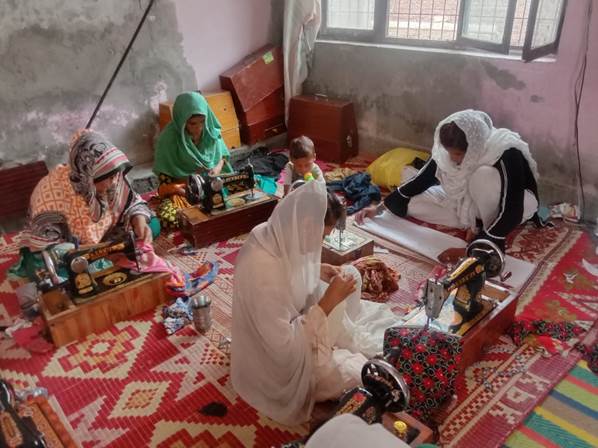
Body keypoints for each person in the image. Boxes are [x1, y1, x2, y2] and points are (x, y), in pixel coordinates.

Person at [231, 181, 398, 425]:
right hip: (278, 360)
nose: (319, 245)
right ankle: (338, 349)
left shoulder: (273, 231)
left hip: (299, 319)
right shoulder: (262, 270)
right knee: (357, 373)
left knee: (351, 275)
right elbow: (283, 347)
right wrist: (327, 304)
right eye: (320, 237)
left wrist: (317, 269)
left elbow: (287, 267)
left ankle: (339, 342)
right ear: (306, 227)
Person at [356, 110, 539, 263]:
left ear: (474, 146)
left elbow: (512, 208)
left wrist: (473, 248)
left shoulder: (505, 152)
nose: (453, 159)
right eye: (450, 153)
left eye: (458, 154)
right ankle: (473, 223)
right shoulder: (448, 153)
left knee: (482, 176)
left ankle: (484, 234)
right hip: (469, 203)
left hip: (514, 204)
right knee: (412, 203)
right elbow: (422, 179)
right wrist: (379, 208)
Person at [26, 129, 154, 251]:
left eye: (115, 175)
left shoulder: (111, 175)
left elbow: (132, 203)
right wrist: (87, 251)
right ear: (89, 179)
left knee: (151, 226)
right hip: (69, 250)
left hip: (106, 237)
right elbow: (46, 246)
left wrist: (139, 221)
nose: (115, 181)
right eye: (109, 177)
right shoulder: (51, 195)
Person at [153, 91, 232, 226]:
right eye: (192, 124)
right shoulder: (167, 140)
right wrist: (186, 186)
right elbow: (164, 179)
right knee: (172, 218)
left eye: (202, 122)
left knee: (238, 198)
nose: (199, 128)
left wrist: (217, 168)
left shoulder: (209, 130)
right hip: (183, 187)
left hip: (213, 180)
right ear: (181, 121)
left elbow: (223, 156)